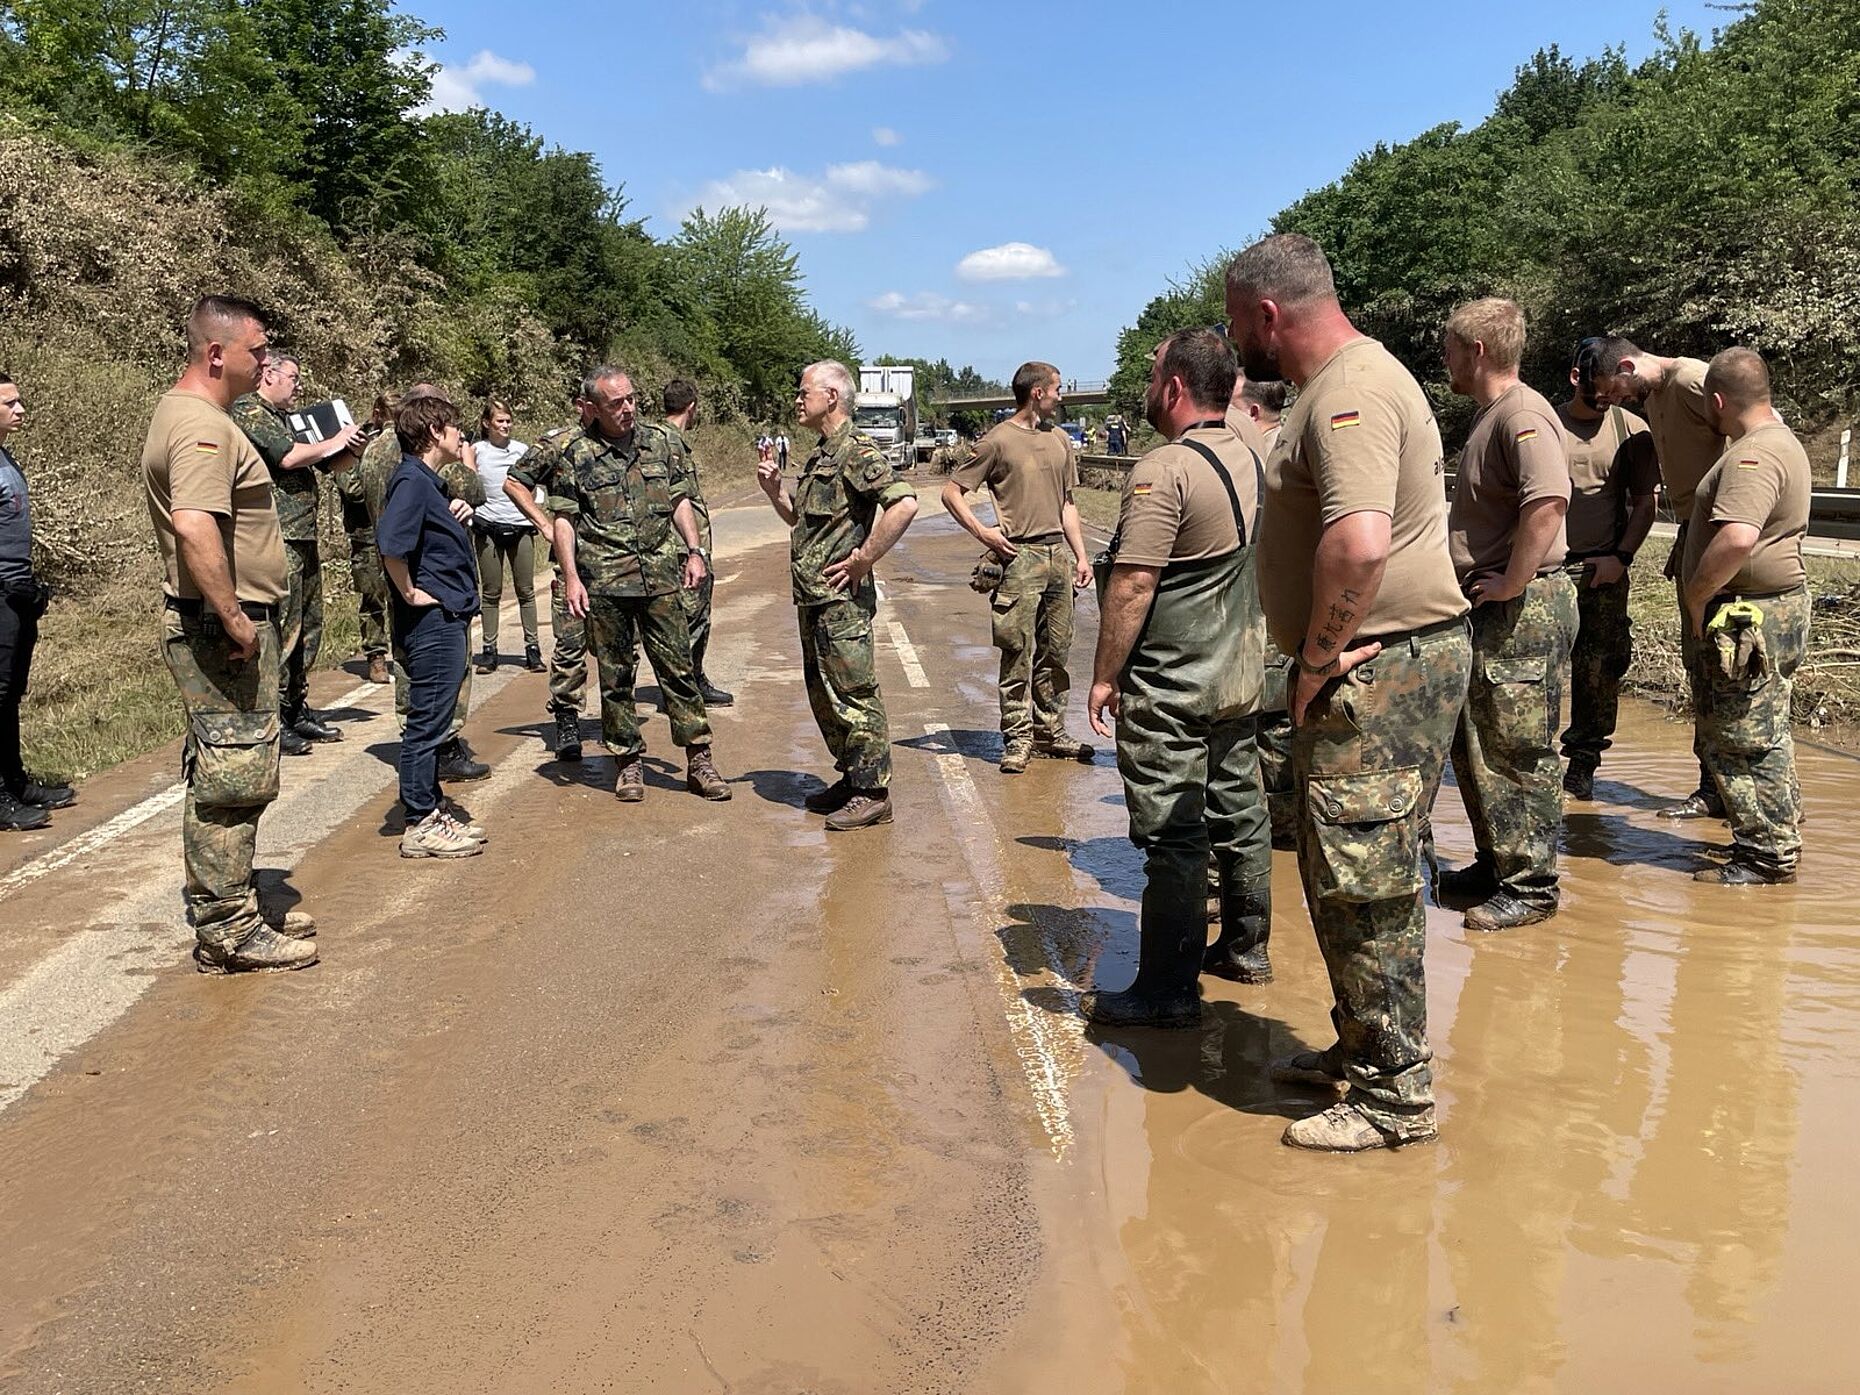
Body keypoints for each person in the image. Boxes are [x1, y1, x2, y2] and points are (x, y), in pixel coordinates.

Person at [1226, 234, 1471, 1152]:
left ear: (1267, 316)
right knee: (1344, 872)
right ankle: (1361, 1045)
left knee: (1365, 879)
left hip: (1379, 672)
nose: (1234, 337)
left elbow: (1361, 544)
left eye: (1234, 319)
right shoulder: (1336, 387)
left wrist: (1317, 659)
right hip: (1383, 665)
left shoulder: (1352, 392)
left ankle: (1394, 1095)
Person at [1080, 328, 1270, 1025]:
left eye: (1155, 370)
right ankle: (1246, 948)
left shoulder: (1165, 468)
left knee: (1173, 834)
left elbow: (1133, 583)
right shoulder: (1251, 451)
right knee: (1240, 808)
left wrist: (1104, 677)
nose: (1148, 382)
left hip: (1177, 683)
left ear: (1176, 386)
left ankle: (1166, 989)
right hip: (1240, 674)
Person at [142, 295, 317, 973]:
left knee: (225, 764)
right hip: (223, 624)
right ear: (216, 353)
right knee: (234, 771)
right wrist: (238, 618)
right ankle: (227, 927)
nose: (265, 360)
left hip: (221, 618)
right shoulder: (202, 428)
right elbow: (194, 525)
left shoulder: (192, 415)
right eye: (257, 349)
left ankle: (230, 902)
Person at [1439, 298, 1576, 932]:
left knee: (1518, 747)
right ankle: (1500, 862)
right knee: (1479, 744)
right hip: (1495, 606)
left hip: (1524, 606)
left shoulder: (1521, 413)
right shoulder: (1494, 415)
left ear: (1478, 351)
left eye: (1449, 348)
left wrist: (1514, 579)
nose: (1445, 359)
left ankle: (1532, 883)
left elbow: (1547, 500)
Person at [544, 365, 730, 803]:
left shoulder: (661, 442)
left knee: (679, 671)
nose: (627, 409)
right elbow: (564, 519)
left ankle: (699, 760)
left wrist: (694, 549)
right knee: (616, 677)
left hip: (661, 577)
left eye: (631, 399)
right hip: (606, 582)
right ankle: (628, 763)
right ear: (592, 407)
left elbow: (680, 498)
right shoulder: (577, 453)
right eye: (616, 403)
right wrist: (571, 577)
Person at [757, 360, 918, 831]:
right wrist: (774, 491)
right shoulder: (822, 453)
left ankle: (873, 793)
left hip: (841, 600)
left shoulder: (856, 450)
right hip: (813, 597)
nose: (796, 399)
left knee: (854, 692)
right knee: (825, 695)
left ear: (831, 396)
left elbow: (904, 503)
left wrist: (865, 558)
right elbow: (800, 522)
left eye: (803, 390)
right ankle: (853, 778)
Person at [1680, 348, 1811, 885]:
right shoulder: (1782, 441)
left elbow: (1737, 537)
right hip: (1768, 609)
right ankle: (1780, 830)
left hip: (1749, 619)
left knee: (1741, 735)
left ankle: (1766, 856)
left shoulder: (1752, 456)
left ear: (1717, 402)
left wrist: (1695, 595)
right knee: (1764, 728)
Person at [1588, 336, 1728, 819]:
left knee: (1720, 664)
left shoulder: (1693, 380)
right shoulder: (1657, 395)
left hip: (1720, 529)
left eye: (1618, 390)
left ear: (1628, 364)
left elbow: (1749, 437)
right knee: (1701, 665)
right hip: (1694, 530)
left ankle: (1733, 791)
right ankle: (1714, 787)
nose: (1622, 401)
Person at [941, 360, 1095, 773]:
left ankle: (1050, 732)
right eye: (1057, 389)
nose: (1062, 397)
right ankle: (1017, 737)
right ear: (1037, 393)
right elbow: (952, 493)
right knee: (1017, 652)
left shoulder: (1060, 439)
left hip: (1056, 555)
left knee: (1057, 650)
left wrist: (1081, 555)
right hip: (1019, 557)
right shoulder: (997, 442)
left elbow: (1067, 504)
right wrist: (984, 534)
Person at [230, 355, 363, 753]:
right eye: (293, 378)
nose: (298, 386)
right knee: (284, 627)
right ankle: (272, 716)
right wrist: (334, 442)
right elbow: (286, 456)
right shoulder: (249, 410)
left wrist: (352, 446)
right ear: (269, 374)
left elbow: (325, 461)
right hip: (277, 534)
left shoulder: (289, 417)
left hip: (302, 533)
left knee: (309, 625)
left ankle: (295, 706)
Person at [356, 383, 488, 783]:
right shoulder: (422, 464)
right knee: (444, 670)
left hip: (395, 571)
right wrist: (465, 461)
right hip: (428, 574)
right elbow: (474, 490)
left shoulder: (375, 450)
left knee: (407, 660)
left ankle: (414, 736)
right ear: (431, 425)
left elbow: (358, 493)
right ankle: (439, 747)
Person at [377, 393, 486, 859]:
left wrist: (456, 511)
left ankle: (429, 807)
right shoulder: (413, 481)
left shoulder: (427, 482)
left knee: (435, 720)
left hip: (445, 617)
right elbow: (390, 543)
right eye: (454, 427)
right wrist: (410, 593)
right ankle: (420, 821)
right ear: (435, 433)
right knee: (427, 725)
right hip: (432, 622)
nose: (461, 435)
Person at [1557, 339, 1659, 799]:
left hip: (1602, 568)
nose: (1604, 403)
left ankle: (1582, 764)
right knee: (1531, 671)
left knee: (1599, 669)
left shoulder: (1631, 430)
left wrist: (1621, 558)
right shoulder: (1544, 425)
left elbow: (1644, 504)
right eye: (1595, 395)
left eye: (1610, 397)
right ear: (1575, 378)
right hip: (1547, 571)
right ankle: (1531, 761)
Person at [0, 374, 73, 832]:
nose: (20, 409)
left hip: (16, 594)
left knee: (10, 695)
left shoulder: (6, 456)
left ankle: (14, 781)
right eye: (10, 403)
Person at [504, 410, 593, 760]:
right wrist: (545, 524)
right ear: (582, 404)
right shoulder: (559, 443)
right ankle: (567, 719)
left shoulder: (628, 440)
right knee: (570, 645)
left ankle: (620, 720)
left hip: (620, 566)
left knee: (622, 650)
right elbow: (513, 481)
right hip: (572, 565)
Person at [1231, 375, 1296, 849]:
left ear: (1252, 414)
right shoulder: (1277, 447)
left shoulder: (1271, 456)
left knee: (1272, 721)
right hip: (1272, 602)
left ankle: (1282, 828)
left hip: (1273, 606)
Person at [660, 380, 733, 706]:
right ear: (692, 406)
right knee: (691, 620)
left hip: (675, 547)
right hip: (682, 548)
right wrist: (695, 549)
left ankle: (689, 680)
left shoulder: (656, 438)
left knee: (684, 620)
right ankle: (685, 688)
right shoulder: (670, 443)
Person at [469, 399, 543, 675]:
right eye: (499, 421)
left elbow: (535, 481)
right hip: (488, 526)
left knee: (526, 590)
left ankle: (532, 648)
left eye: (508, 421)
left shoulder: (522, 450)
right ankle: (489, 650)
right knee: (491, 591)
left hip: (520, 525)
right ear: (487, 424)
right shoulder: (477, 450)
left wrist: (534, 506)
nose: (505, 426)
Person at [336, 393, 394, 684]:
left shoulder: (401, 443)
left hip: (396, 529)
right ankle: (376, 655)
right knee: (373, 594)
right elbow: (352, 489)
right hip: (366, 531)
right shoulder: (355, 444)